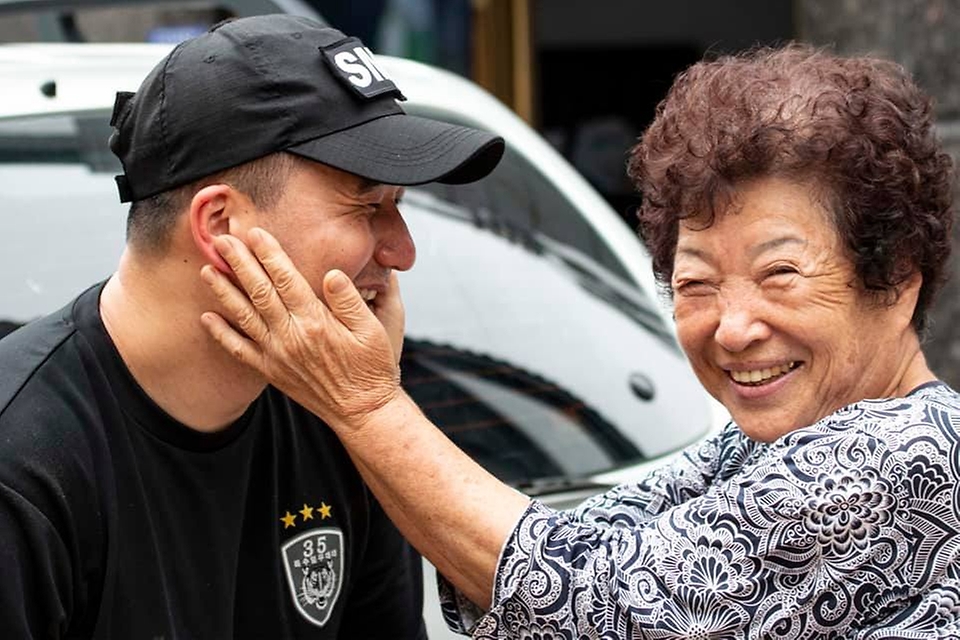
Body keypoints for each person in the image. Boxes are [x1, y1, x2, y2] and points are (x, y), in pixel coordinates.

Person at [199, 42, 960, 638]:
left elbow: (595, 607)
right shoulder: (755, 447)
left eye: (781, 274)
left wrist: (366, 404)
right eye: (694, 283)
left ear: (895, 277)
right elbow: (572, 544)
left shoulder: (913, 452)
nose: (732, 327)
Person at [0, 13, 504, 639]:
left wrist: (379, 408)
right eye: (367, 205)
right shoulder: (22, 462)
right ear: (218, 224)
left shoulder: (343, 412)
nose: (402, 252)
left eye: (397, 210)